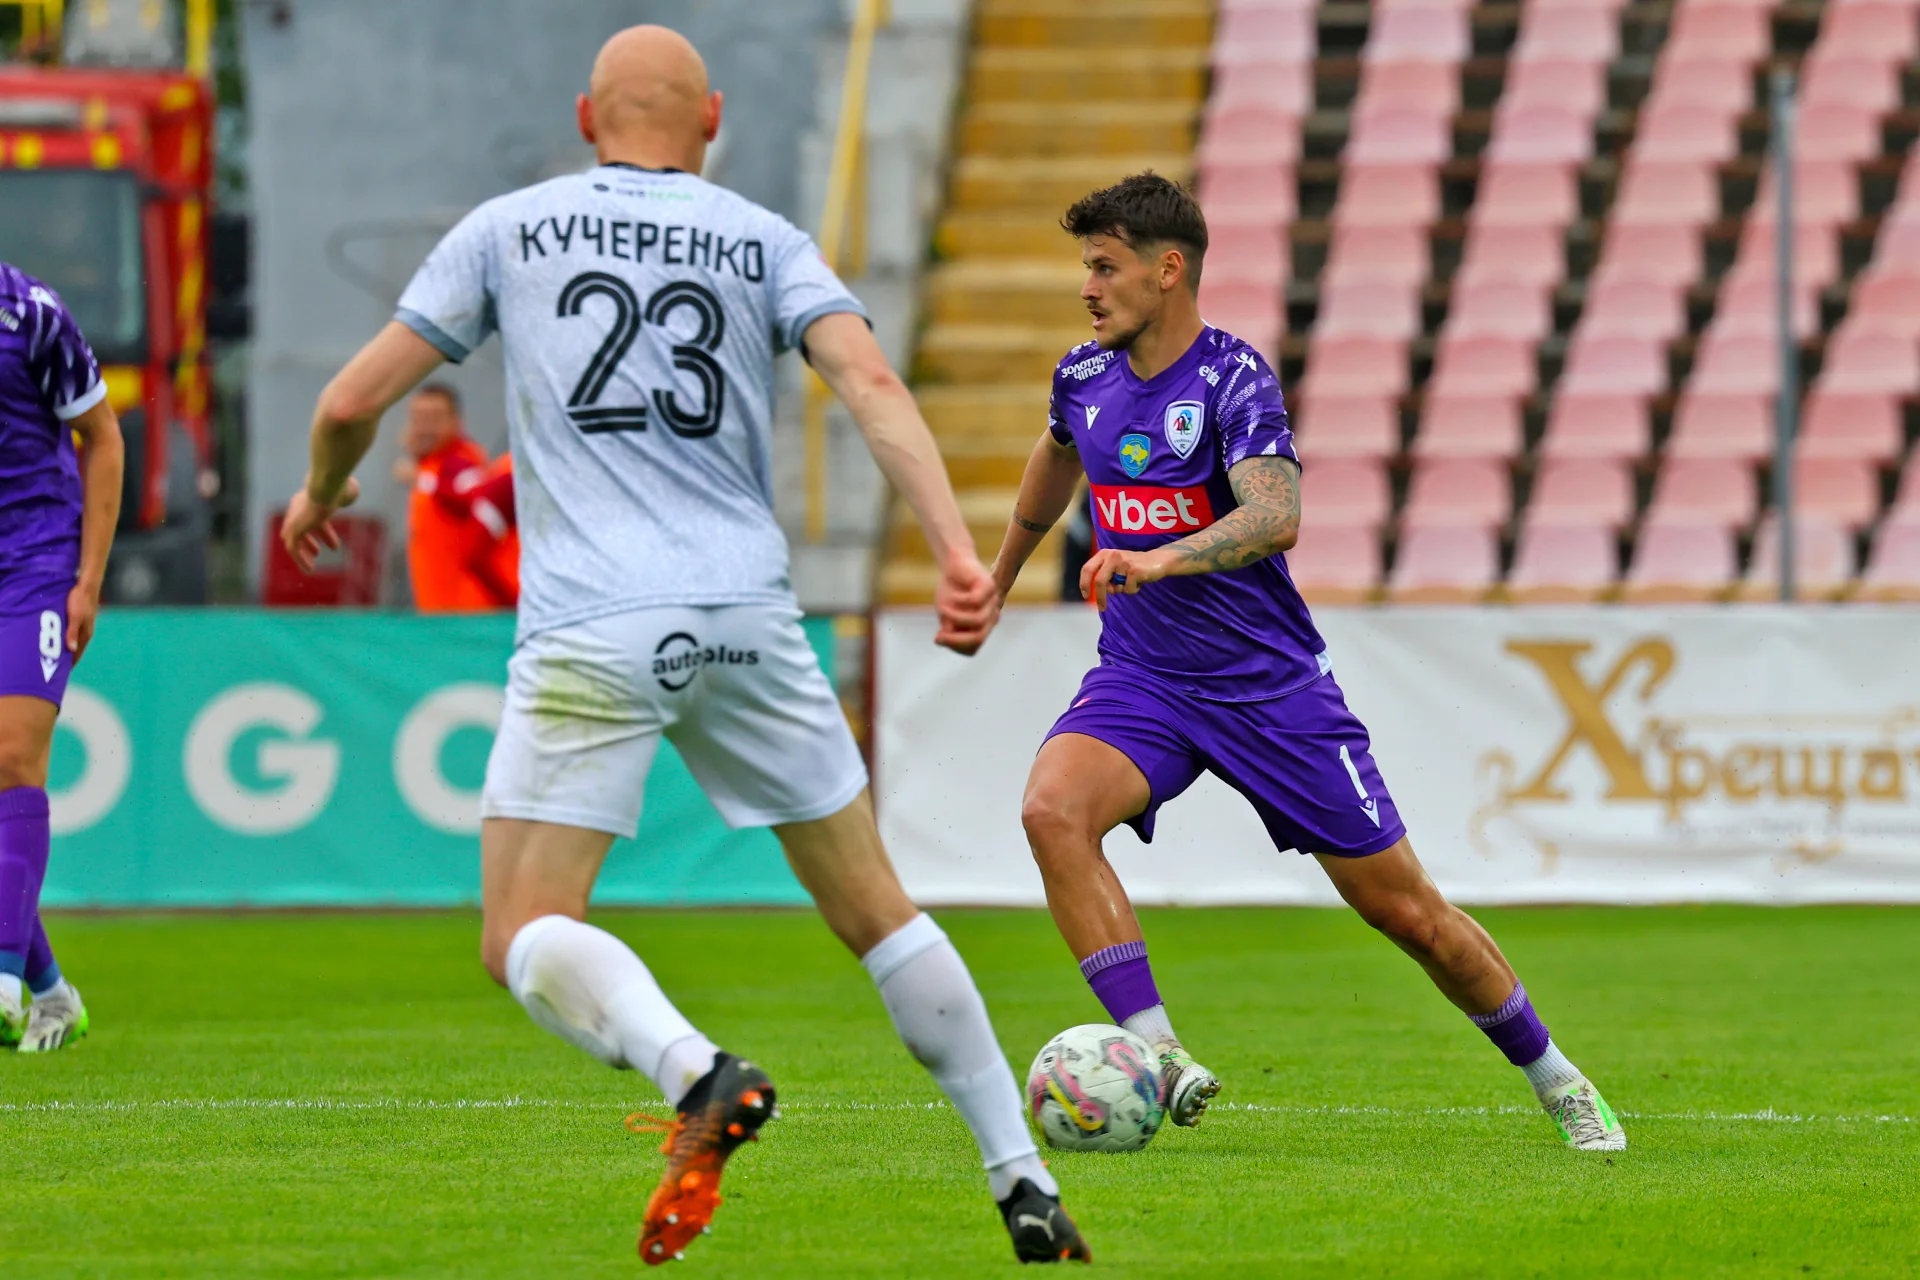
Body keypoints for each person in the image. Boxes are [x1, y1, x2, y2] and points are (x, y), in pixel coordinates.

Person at [281, 26, 1089, 1267]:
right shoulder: (764, 237)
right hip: (749, 613)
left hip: (593, 619)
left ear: (584, 115)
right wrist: (955, 550)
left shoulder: (510, 227)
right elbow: (871, 385)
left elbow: (349, 400)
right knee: (878, 909)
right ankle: (1020, 1173)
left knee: (522, 929)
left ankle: (696, 1072)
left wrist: (322, 486)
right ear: (711, 117)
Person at [987, 173, 1625, 1153]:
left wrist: (1158, 558)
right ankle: (1159, 1052)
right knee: (1049, 811)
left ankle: (1560, 1079)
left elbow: (1276, 515)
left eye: (1104, 267)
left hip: (1270, 691)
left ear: (1168, 270)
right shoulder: (1083, 375)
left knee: (1408, 914)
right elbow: (1058, 454)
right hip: (1145, 679)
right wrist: (996, 577)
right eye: (1086, 267)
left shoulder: (1232, 379)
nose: (1088, 287)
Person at [0, 261, 124, 1053]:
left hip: (33, 564)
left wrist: (88, 579)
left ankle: (4, 981)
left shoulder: (29, 312)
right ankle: (51, 995)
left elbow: (103, 436)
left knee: (12, 757)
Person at [394, 382, 514, 612]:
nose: (424, 428)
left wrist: (422, 480)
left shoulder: (460, 461)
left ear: (456, 422)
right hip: (439, 608)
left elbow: (473, 499)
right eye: (418, 419)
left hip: (466, 611)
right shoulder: (432, 465)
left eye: (434, 419)